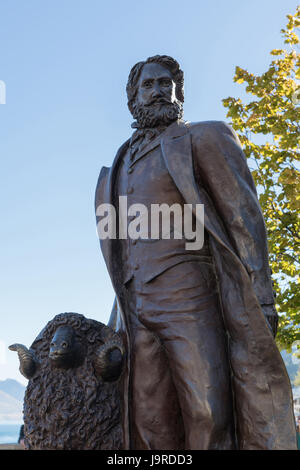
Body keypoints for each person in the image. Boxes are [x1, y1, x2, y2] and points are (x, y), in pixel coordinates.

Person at [95, 55, 297, 450]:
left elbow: (244, 219)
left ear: (178, 92)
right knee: (147, 417)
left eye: (165, 84)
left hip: (191, 296)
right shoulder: (116, 166)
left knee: (208, 411)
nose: (158, 91)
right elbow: (120, 254)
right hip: (136, 308)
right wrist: (116, 319)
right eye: (148, 85)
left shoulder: (204, 138)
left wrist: (262, 296)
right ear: (132, 97)